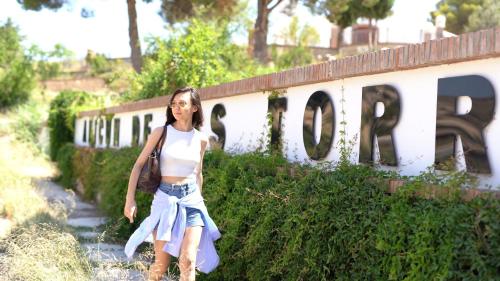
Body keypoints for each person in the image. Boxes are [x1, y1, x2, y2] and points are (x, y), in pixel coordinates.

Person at [123, 87, 221, 281]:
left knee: (188, 261)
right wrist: (130, 200)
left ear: (194, 108)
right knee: (160, 266)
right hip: (165, 200)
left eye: (182, 103)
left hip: (191, 201)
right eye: (173, 104)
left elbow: (198, 173)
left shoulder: (201, 139)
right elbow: (138, 166)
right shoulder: (161, 133)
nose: (176, 108)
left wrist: (199, 199)